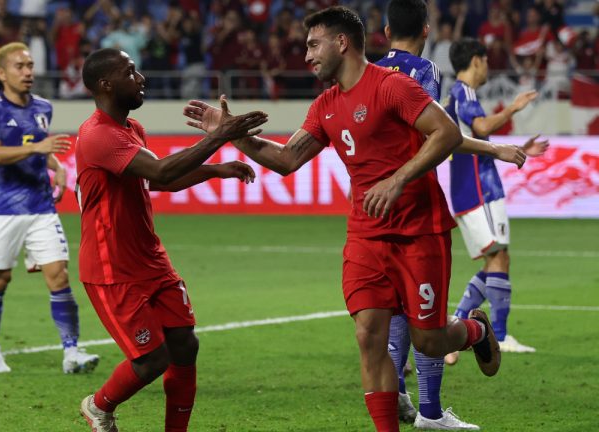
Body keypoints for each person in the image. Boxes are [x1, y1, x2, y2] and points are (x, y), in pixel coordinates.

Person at [184, 7, 501, 431]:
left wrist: (398, 178)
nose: (307, 57)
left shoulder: (393, 87)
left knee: (428, 339)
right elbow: (285, 159)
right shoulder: (325, 105)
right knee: (369, 337)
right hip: (366, 237)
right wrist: (232, 134)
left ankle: (476, 330)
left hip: (418, 231)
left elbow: (445, 133)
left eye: (313, 45)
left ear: (342, 42)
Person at [75, 48, 266, 432]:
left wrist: (215, 170)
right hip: (112, 268)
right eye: (131, 72)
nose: (141, 77)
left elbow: (159, 179)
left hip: (149, 259)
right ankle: (99, 406)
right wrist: (221, 136)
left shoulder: (132, 130)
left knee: (185, 346)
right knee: (151, 360)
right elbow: (162, 168)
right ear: (106, 84)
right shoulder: (98, 135)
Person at [375, 1, 546, 429]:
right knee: (435, 306)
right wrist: (504, 131)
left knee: (396, 308)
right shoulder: (433, 77)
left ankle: (397, 386)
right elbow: (443, 133)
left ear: (384, 29)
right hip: (430, 202)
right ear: (428, 30)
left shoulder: (369, 73)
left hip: (375, 205)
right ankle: (484, 339)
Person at [0, 42, 99, 374]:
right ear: (1, 73)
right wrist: (42, 148)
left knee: (59, 275)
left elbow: (38, 146)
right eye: (20, 66)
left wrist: (55, 165)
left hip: (41, 206)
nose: (28, 72)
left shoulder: (43, 106)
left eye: (30, 65)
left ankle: (72, 352)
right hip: (3, 208)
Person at [443, 38, 548, 364]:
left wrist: (518, 148)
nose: (488, 66)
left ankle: (455, 329)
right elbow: (481, 126)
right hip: (478, 189)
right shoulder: (465, 92)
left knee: (497, 259)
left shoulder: (454, 96)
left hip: (474, 187)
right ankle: (497, 334)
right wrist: (514, 107)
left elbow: (473, 138)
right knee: (498, 258)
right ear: (476, 61)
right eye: (486, 60)